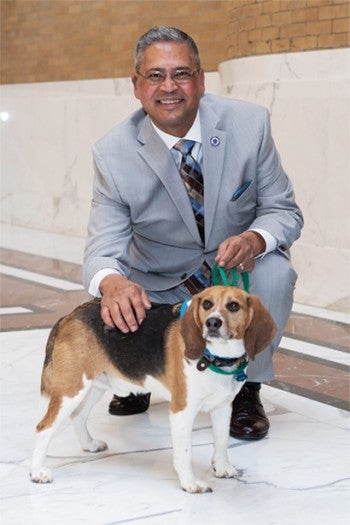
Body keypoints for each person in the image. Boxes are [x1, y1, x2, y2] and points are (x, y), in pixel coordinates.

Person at [83, 26, 303, 440]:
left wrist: (255, 239)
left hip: (230, 276)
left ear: (201, 80)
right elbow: (102, 247)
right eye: (155, 75)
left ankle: (245, 389)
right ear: (136, 86)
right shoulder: (112, 153)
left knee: (275, 271)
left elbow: (283, 210)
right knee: (114, 296)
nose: (169, 87)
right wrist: (111, 283)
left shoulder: (249, 125)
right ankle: (138, 373)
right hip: (162, 285)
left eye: (182, 74)